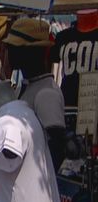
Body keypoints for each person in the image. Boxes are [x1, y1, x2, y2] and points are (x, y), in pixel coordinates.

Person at [4, 17, 67, 171]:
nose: (9, 53)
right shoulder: (27, 86)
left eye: (15, 48)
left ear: (31, 52)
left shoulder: (46, 94)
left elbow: (56, 148)